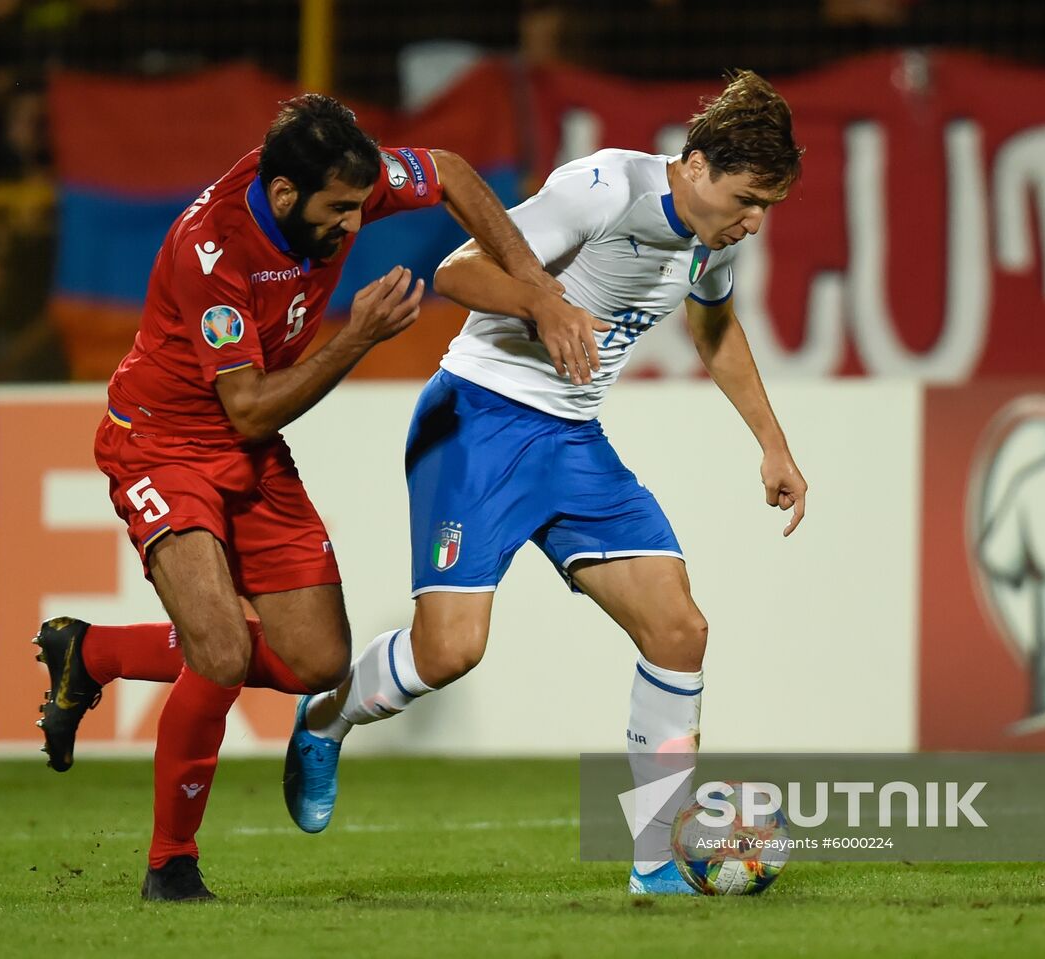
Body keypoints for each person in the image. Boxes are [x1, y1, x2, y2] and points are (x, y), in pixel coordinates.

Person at [285, 70, 809, 895]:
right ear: (698, 164)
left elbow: (712, 320)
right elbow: (455, 271)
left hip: (571, 441)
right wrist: (544, 304)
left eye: (767, 208)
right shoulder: (604, 188)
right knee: (449, 651)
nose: (753, 221)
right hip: (478, 421)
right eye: (747, 199)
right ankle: (325, 716)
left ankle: (654, 866)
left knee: (680, 631)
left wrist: (773, 444)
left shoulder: (710, 238)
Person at [33, 92, 559, 902]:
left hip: (248, 451)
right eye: (340, 210)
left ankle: (92, 652)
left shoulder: (332, 180)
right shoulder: (211, 250)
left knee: (314, 662)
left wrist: (537, 289)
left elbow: (451, 174)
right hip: (162, 445)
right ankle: (171, 861)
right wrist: (358, 334)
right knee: (218, 649)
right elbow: (245, 402)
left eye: (361, 205)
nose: (354, 223)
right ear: (285, 196)